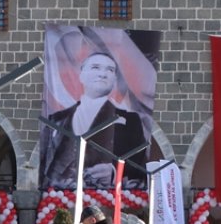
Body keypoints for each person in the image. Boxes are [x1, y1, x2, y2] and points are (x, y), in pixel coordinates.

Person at [41, 51, 148, 191]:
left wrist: (114, 171)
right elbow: (43, 161)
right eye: (95, 67)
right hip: (58, 196)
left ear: (114, 79)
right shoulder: (57, 120)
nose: (103, 74)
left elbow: (139, 163)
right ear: (81, 75)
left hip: (105, 196)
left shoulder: (130, 121)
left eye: (110, 70)